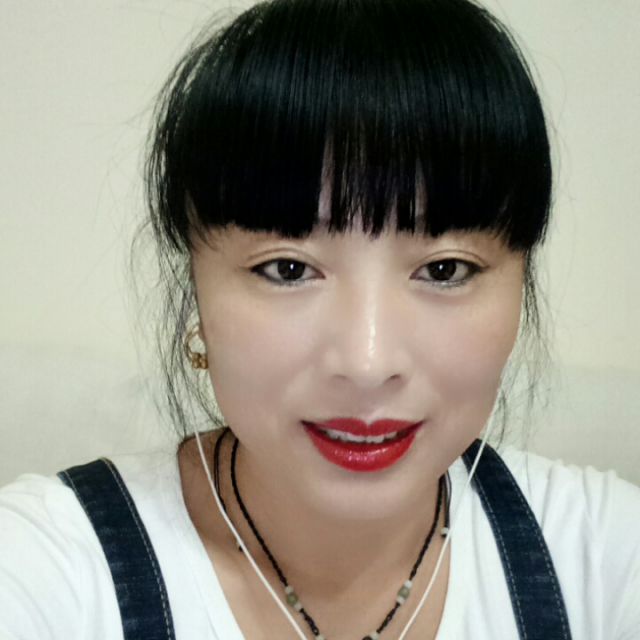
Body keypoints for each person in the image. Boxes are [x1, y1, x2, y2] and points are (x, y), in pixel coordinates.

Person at [1, 0, 639, 638]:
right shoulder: (45, 569)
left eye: (444, 269)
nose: (367, 364)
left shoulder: (604, 555)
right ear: (195, 280)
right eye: (287, 269)